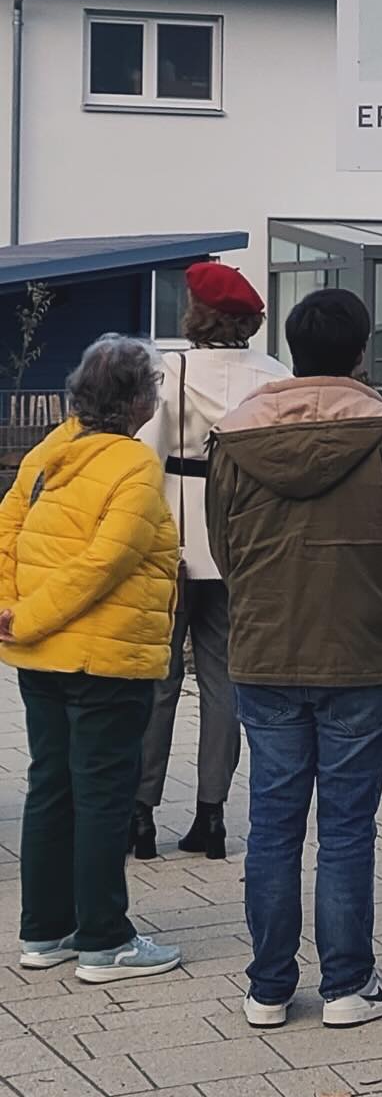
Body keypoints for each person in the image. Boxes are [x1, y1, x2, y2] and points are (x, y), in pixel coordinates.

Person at [205, 289, 382, 1031]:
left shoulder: (235, 439)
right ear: (360, 352)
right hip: (363, 654)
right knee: (347, 826)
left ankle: (268, 988)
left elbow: (225, 550)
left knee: (272, 824)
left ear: (290, 348)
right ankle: (348, 984)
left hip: (265, 650)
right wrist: (379, 601)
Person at [0, 336, 183, 982]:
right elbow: (107, 561)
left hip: (39, 658)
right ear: (136, 401)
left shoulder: (48, 453)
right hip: (106, 659)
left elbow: (6, 534)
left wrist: (11, 613)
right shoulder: (134, 466)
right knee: (103, 795)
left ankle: (44, 932)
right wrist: (28, 616)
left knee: (51, 787)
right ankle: (105, 940)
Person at [131, 262, 288, 862]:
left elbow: (145, 459)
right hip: (241, 542)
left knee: (159, 679)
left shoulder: (168, 373)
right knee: (224, 683)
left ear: (196, 315)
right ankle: (212, 815)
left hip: (171, 542)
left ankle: (140, 815)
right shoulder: (274, 376)